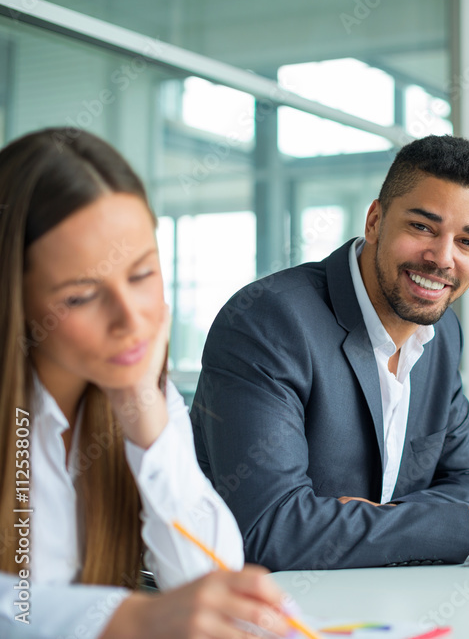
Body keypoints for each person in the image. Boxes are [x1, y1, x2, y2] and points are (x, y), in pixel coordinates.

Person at [191, 134, 469, 571]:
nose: (442, 258)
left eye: (467, 241)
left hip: (379, 600)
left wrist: (365, 520)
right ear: (374, 221)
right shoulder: (269, 321)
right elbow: (272, 529)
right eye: (422, 227)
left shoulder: (442, 332)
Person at [0, 128, 289, 638]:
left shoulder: (136, 395)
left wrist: (142, 413)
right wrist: (130, 619)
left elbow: (212, 581)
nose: (130, 319)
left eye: (141, 275)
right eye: (81, 295)